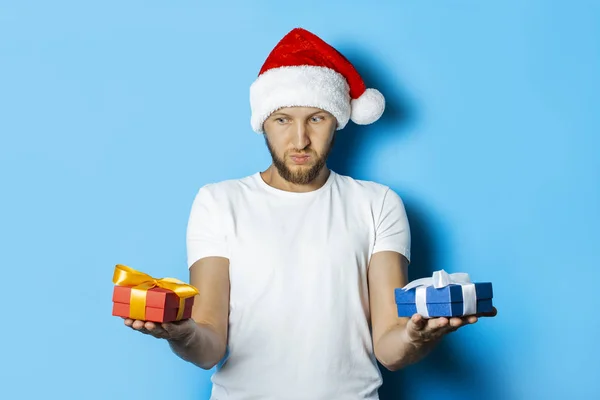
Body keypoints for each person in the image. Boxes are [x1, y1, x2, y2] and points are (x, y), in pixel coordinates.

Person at [123, 27, 496, 399]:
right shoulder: (218, 202)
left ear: (337, 119)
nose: (299, 139)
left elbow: (389, 347)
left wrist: (418, 335)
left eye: (316, 118)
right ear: (263, 124)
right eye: (283, 119)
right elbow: (209, 347)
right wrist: (180, 332)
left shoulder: (378, 203)